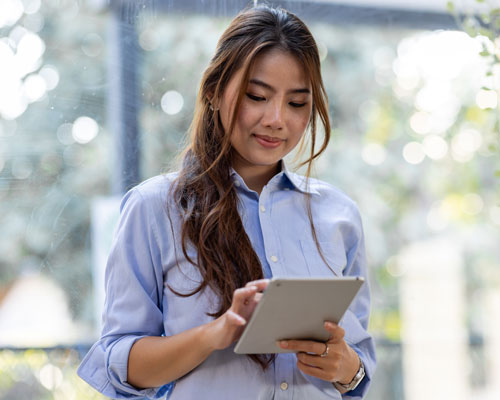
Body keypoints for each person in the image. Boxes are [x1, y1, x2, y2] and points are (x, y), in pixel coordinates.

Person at [78, 5, 376, 400]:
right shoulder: (154, 209)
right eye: (257, 96)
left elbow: (358, 367)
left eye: (297, 103)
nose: (276, 119)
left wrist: (346, 367)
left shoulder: (338, 215)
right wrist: (213, 334)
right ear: (215, 93)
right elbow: (119, 364)